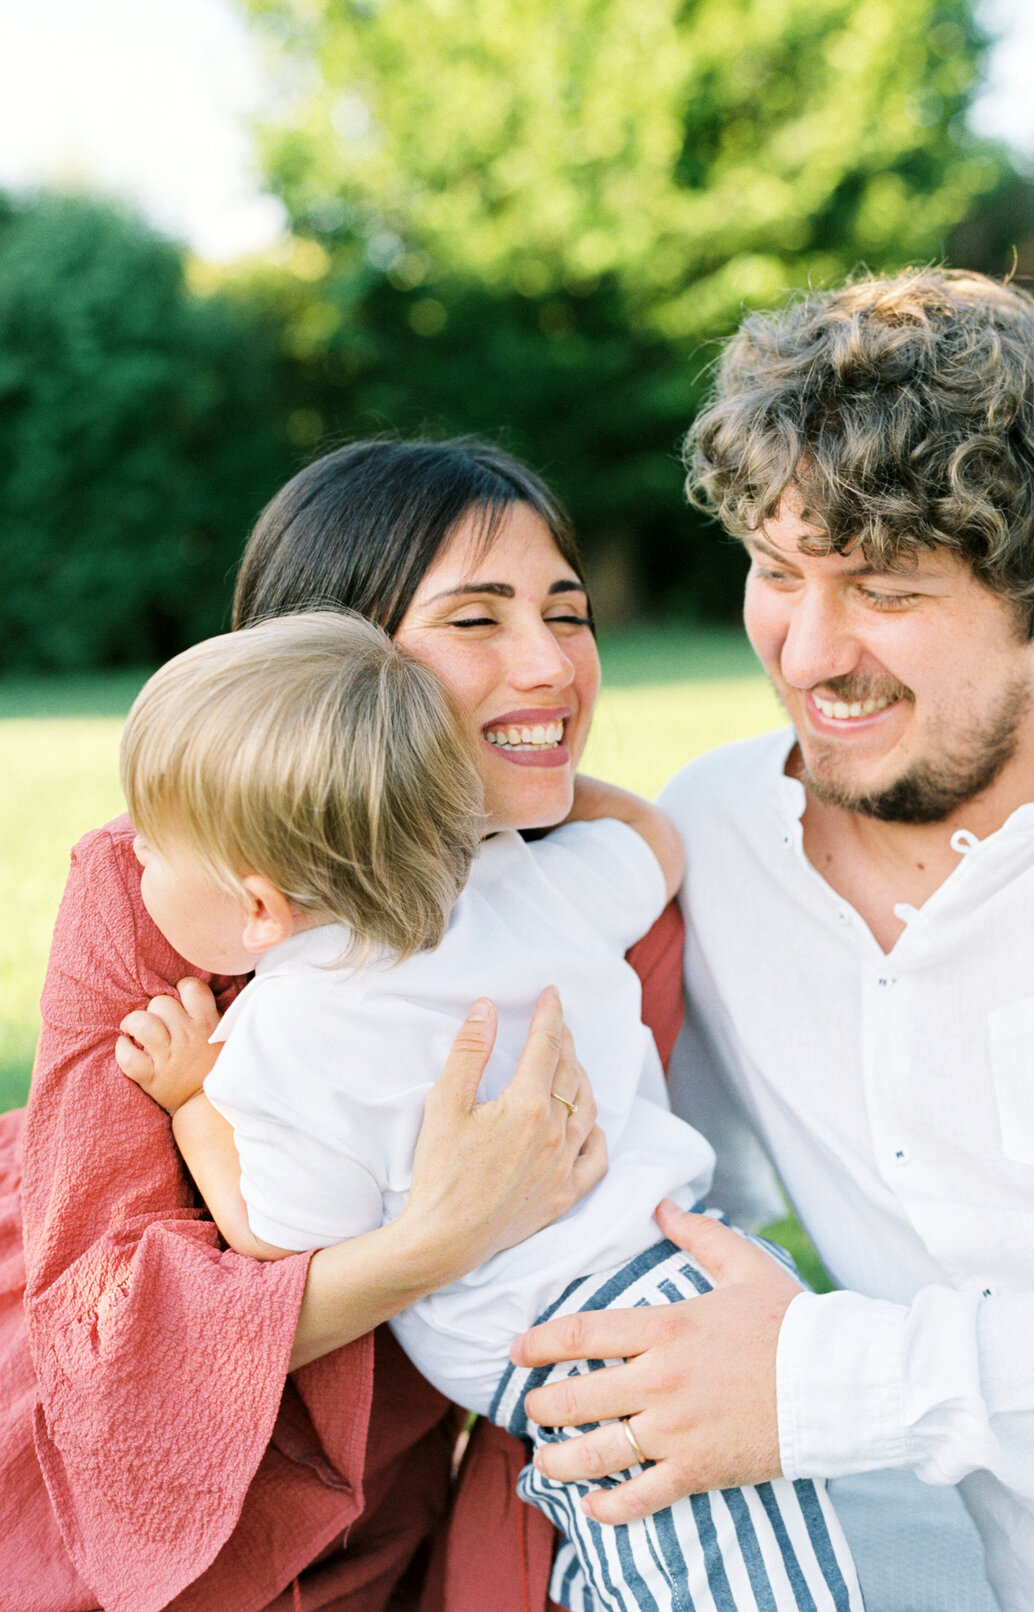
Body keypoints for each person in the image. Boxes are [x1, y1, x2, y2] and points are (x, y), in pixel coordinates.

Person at [507, 270, 1034, 1611]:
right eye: (778, 571)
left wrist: (818, 1387)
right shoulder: (702, 840)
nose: (811, 653)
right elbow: (629, 1181)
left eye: (884, 589)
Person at [0, 439, 680, 1612]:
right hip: (87, 1468)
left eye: (568, 615)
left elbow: (593, 1241)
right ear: (332, 658)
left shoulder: (573, 895)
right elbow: (104, 1331)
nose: (550, 665)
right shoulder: (157, 875)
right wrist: (435, 1240)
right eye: (476, 619)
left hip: (391, 1471)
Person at [115, 608, 865, 1612]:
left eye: (153, 847)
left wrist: (193, 1099)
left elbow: (280, 1241)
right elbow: (655, 843)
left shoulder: (284, 1038)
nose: (137, 863)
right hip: (672, 1288)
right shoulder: (520, 878)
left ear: (259, 910)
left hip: (613, 1359)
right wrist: (488, 810)